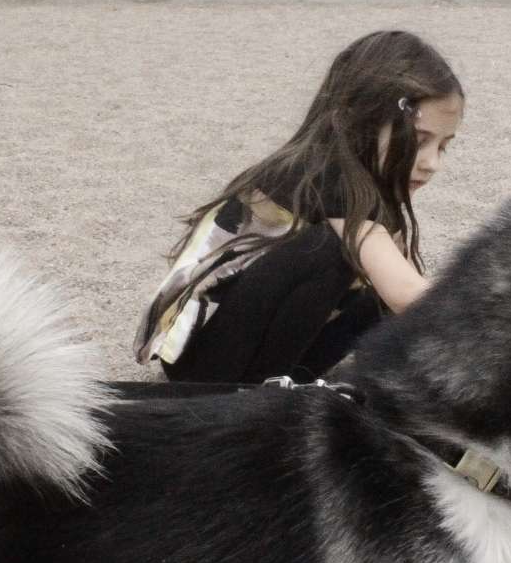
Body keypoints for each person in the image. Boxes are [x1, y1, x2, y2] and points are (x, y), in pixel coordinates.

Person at [134, 30, 464, 385]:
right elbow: (406, 295)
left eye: (443, 146)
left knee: (377, 298)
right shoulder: (327, 176)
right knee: (331, 249)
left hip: (256, 343)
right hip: (203, 361)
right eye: (419, 141)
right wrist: (496, 319)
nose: (432, 163)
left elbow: (402, 291)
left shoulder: (369, 187)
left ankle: (285, 384)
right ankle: (263, 396)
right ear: (364, 123)